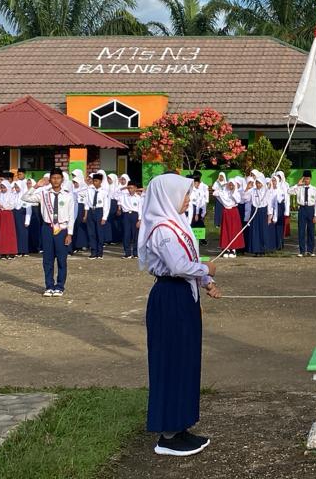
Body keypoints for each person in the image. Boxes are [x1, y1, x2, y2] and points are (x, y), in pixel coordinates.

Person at [139, 172, 221, 457]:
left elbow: (189, 262)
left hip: (184, 294)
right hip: (170, 296)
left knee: (185, 360)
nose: (188, 199)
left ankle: (180, 424)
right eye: (184, 194)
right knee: (171, 360)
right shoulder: (162, 229)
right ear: (169, 196)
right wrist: (206, 269)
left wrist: (206, 282)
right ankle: (167, 435)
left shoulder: (178, 224)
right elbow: (177, 266)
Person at [23, 171, 75, 296]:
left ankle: (60, 286)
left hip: (62, 229)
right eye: (53, 178)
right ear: (50, 180)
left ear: (62, 180)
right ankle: (49, 286)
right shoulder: (44, 194)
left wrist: (70, 233)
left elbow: (71, 216)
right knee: (47, 259)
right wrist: (36, 186)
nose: (56, 180)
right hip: (47, 228)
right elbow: (25, 197)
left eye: (58, 178)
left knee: (61, 259)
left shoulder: (68, 196)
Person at [293, 172, 316, 257]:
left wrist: (315, 215)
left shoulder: (314, 189)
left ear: (310, 179)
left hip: (310, 209)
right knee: (301, 230)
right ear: (303, 179)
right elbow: (289, 191)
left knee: (311, 230)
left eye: (308, 179)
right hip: (302, 209)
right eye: (305, 179)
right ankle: (302, 251)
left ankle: (310, 250)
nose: (307, 180)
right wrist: (298, 184)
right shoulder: (299, 188)